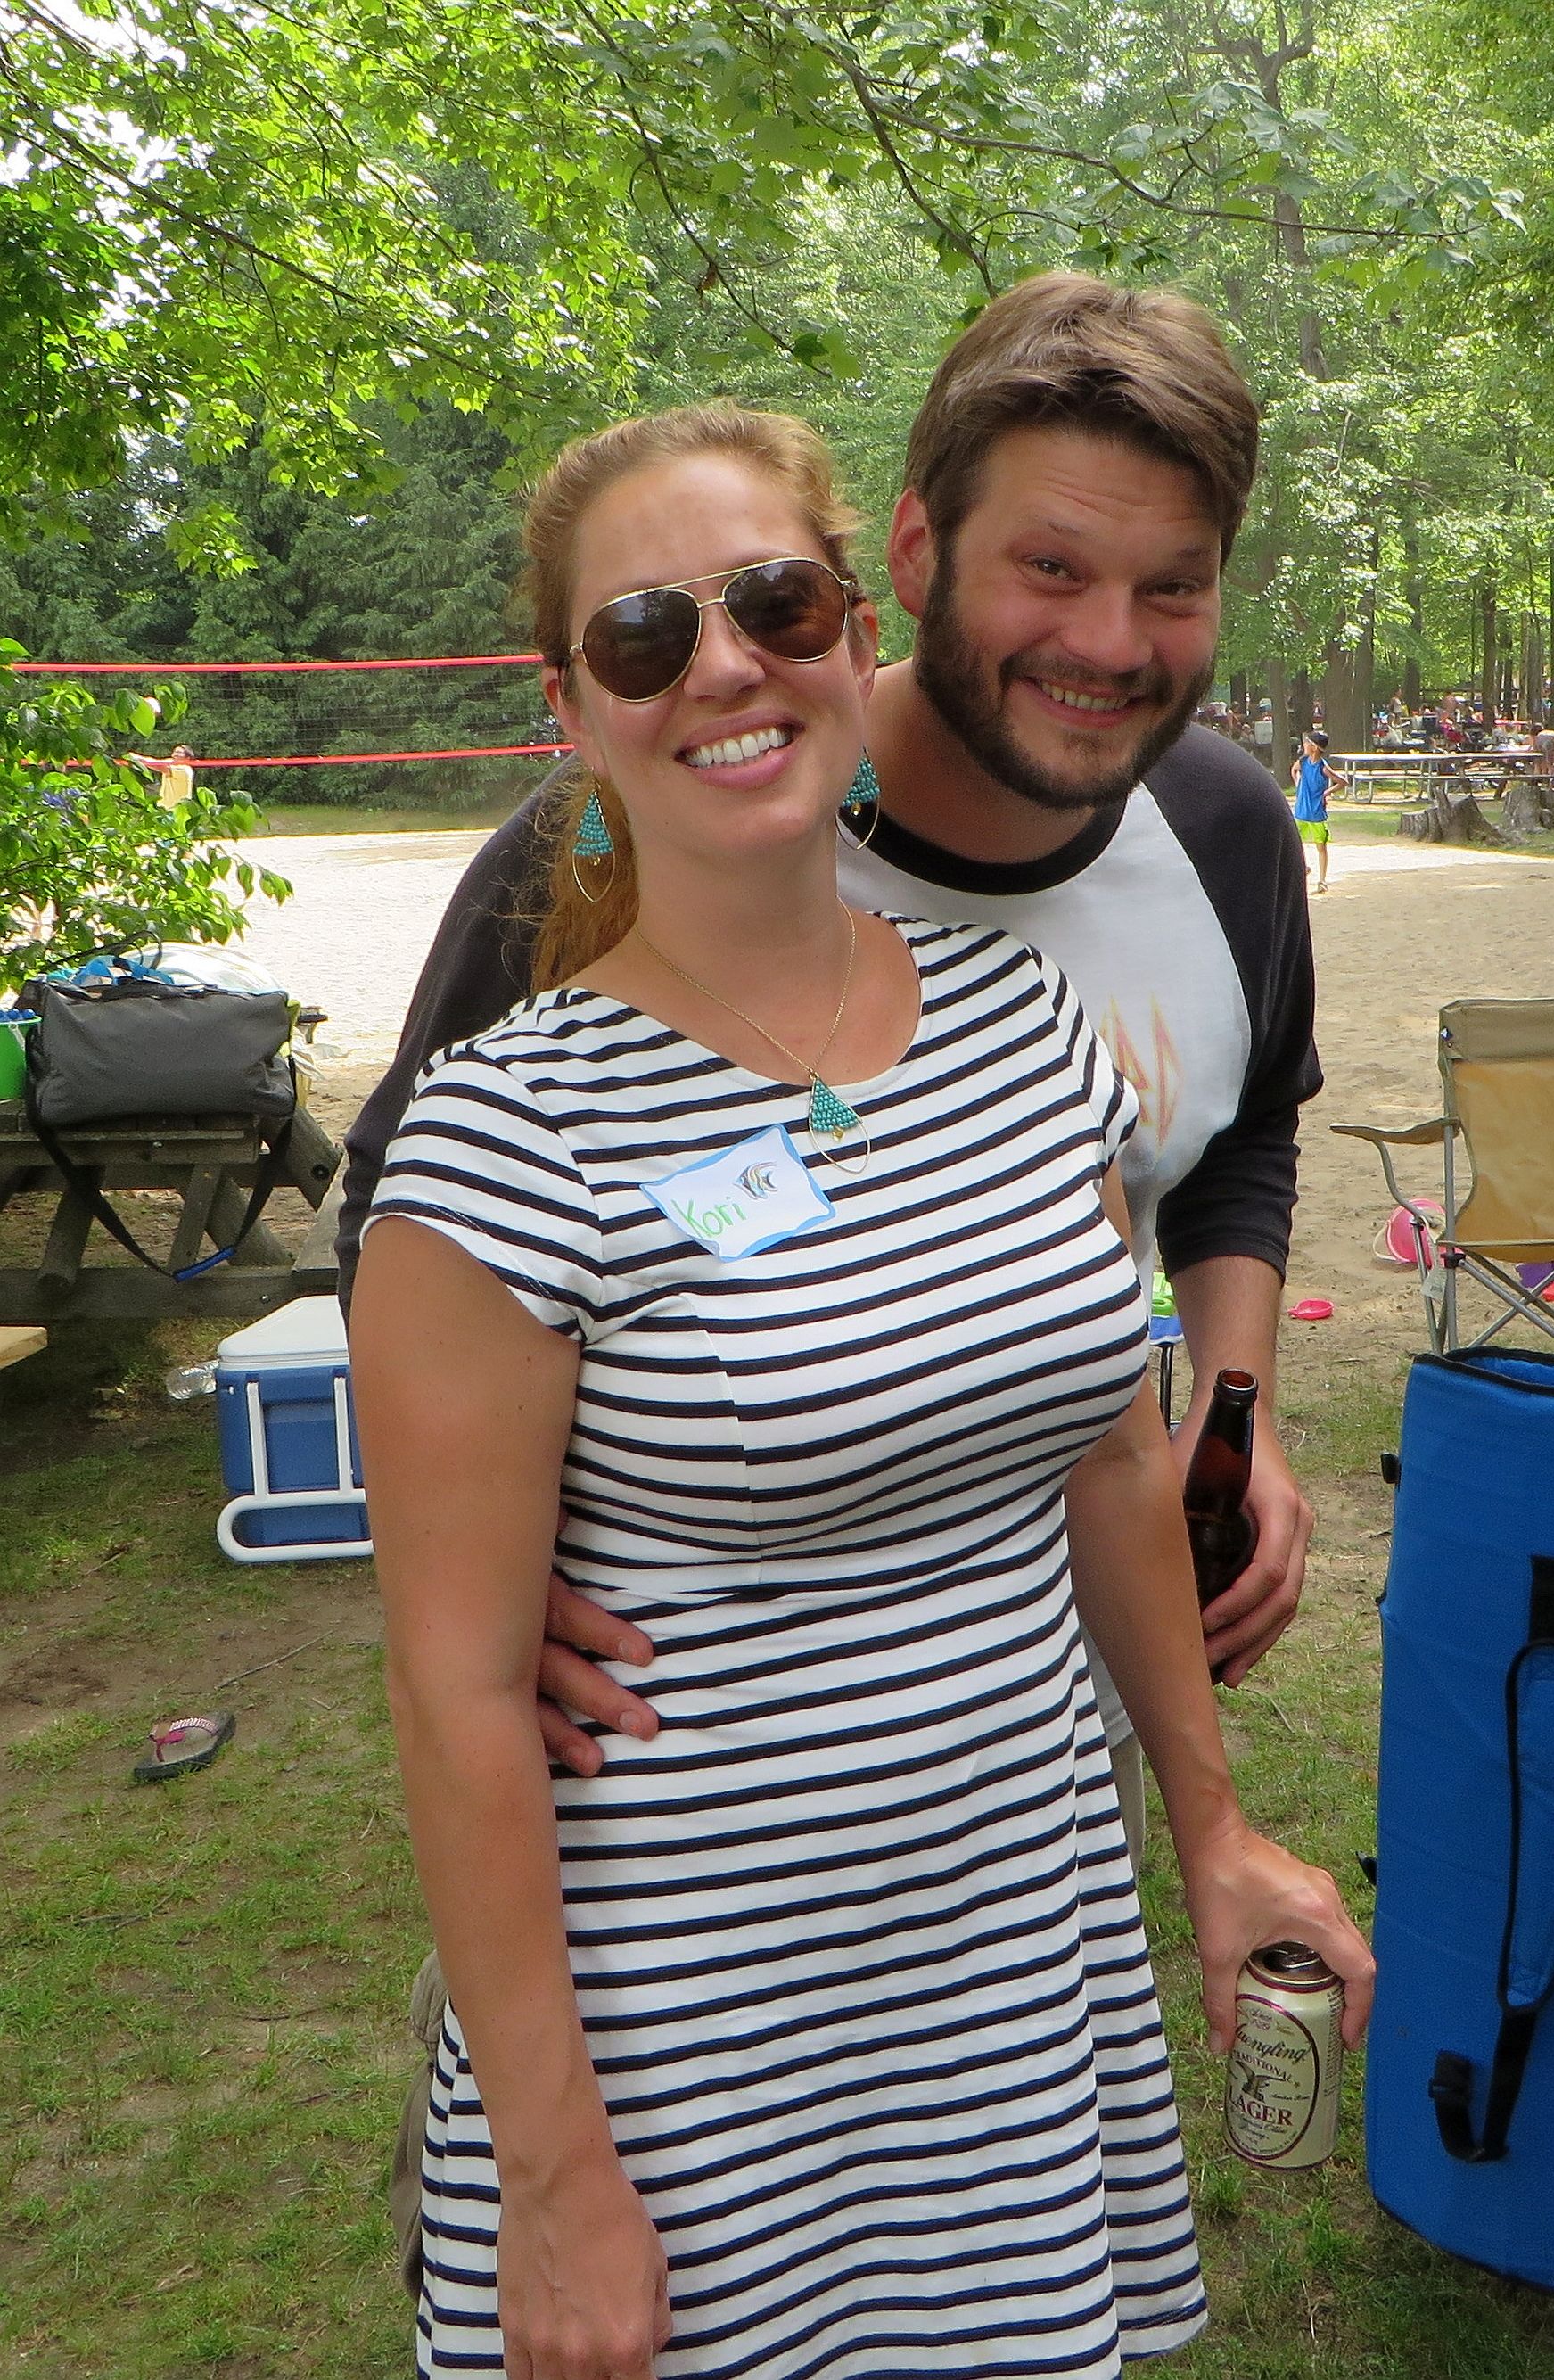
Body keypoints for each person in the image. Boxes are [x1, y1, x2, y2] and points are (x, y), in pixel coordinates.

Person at [351, 399, 1372, 2379]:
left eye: (773, 601)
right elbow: (456, 1695)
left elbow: (1107, 1455)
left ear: (853, 623)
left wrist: (1213, 1818)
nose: (725, 665)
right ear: (570, 706)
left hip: (1007, 1971)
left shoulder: (1026, 1025)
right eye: (644, 633)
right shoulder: (504, 1135)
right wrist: (556, 2176)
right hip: (683, 2034)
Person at [1290, 728, 1344, 892]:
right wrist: (1298, 783)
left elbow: (1342, 782)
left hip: (1316, 813)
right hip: (1301, 811)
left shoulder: (1323, 767)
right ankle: (1303, 866)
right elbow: (1294, 769)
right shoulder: (1303, 762)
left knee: (1321, 847)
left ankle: (1322, 880)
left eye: (1307, 743)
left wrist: (1326, 793)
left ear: (1314, 747)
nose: (1304, 745)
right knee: (1294, 842)